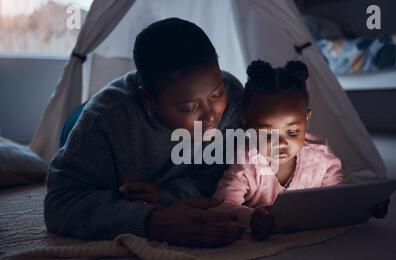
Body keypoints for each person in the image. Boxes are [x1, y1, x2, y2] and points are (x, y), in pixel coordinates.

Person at [44, 18, 245, 247]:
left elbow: (218, 176)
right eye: (189, 107)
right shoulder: (103, 122)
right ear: (149, 100)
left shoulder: (232, 99)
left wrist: (164, 196)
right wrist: (152, 221)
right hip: (79, 121)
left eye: (216, 95)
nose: (211, 116)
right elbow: (59, 203)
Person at [211, 60, 344, 240]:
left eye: (292, 131)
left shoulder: (321, 157)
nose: (280, 143)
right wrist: (250, 217)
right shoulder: (246, 164)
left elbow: (339, 196)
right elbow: (222, 203)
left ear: (306, 118)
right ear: (246, 122)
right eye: (267, 135)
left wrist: (364, 205)